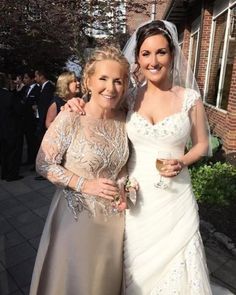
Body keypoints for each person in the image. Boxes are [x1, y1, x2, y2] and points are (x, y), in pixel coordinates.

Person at [63, 20, 235, 295]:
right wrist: (76, 102)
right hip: (137, 198)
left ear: (172, 55)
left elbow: (202, 144)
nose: (153, 61)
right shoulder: (129, 98)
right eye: (146, 53)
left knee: (180, 263)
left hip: (175, 197)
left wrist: (183, 161)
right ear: (138, 59)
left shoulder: (189, 98)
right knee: (138, 264)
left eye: (161, 52)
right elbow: (100, 105)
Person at [29, 46, 130, 295]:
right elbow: (43, 164)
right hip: (76, 219)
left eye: (118, 81)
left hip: (114, 225)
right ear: (88, 81)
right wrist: (86, 184)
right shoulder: (72, 116)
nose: (111, 88)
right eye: (103, 79)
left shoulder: (125, 118)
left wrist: (125, 187)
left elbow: (122, 165)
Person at [0, 72, 24, 181]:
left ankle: (4, 173)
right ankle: (12, 175)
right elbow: (19, 110)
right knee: (13, 153)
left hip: (2, 129)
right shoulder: (10, 96)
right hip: (11, 129)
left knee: (4, 153)